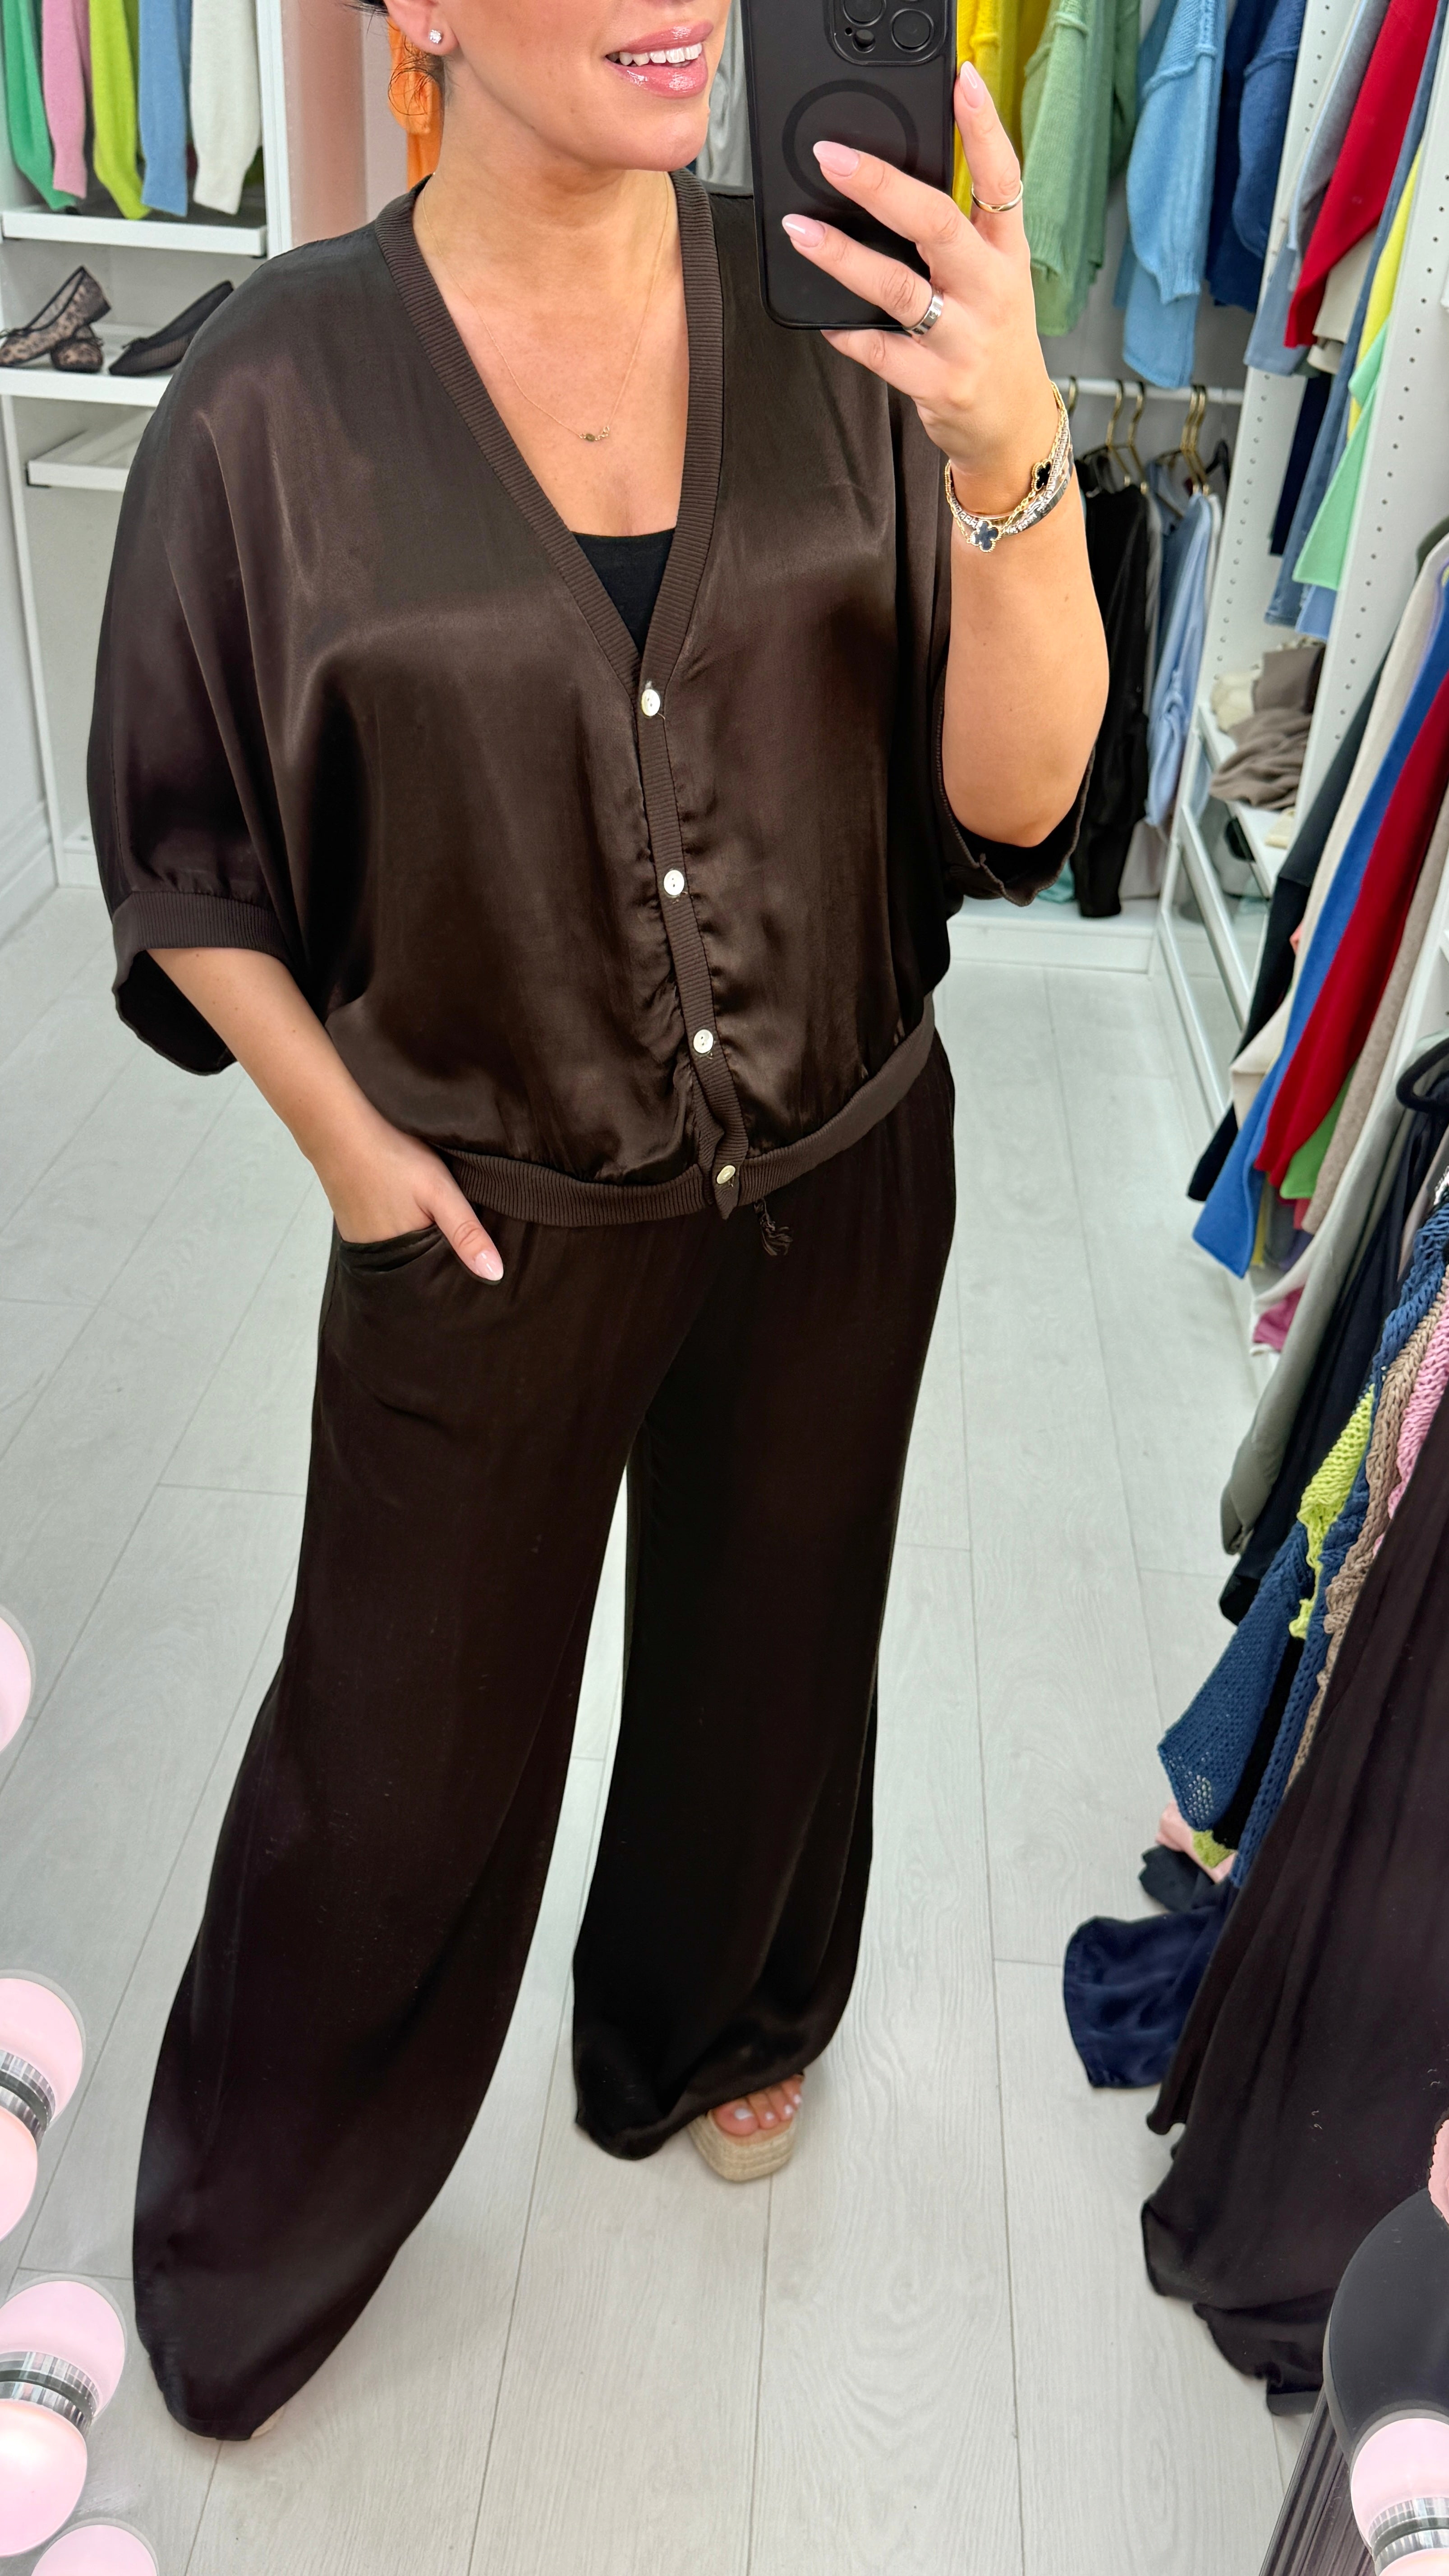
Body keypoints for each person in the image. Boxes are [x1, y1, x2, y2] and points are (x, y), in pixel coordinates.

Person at [92, 0, 1107, 2439]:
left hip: (842, 1159)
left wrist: (1012, 456)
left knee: (775, 1650)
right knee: (393, 1754)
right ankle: (261, 2215)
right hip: (490, 1210)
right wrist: (350, 1149)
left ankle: (715, 2014)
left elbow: (1018, 799)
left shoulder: (849, 327)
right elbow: (180, 842)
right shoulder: (271, 399)